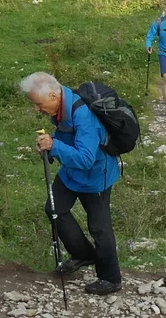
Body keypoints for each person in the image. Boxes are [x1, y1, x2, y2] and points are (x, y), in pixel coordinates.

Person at [21, 71, 122, 295]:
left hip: (96, 175)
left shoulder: (82, 114)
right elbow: (66, 138)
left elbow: (86, 159)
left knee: (99, 227)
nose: (36, 109)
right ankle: (83, 255)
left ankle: (111, 278)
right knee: (55, 209)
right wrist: (50, 145)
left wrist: (54, 146)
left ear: (53, 96)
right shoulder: (60, 107)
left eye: (38, 104)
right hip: (71, 173)